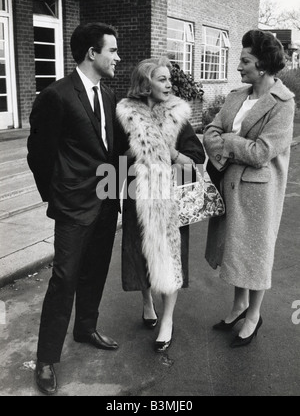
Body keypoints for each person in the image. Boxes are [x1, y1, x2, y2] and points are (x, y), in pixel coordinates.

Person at [27, 22, 126, 395]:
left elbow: (113, 151)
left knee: (95, 270)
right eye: (112, 50)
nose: (117, 57)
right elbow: (39, 154)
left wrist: (118, 194)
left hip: (105, 202)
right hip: (72, 205)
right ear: (92, 53)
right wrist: (56, 196)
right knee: (64, 278)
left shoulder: (110, 95)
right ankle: (47, 359)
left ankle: (85, 328)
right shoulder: (56, 96)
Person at [203, 30, 295, 348]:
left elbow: (261, 153)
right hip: (229, 183)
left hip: (259, 192)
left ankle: (253, 315)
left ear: (264, 64)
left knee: (255, 253)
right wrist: (223, 141)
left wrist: (227, 142)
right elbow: (211, 129)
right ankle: (239, 306)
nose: (239, 66)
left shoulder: (282, 103)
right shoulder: (235, 96)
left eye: (245, 60)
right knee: (235, 249)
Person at [116, 57, 205, 352]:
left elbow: (197, 159)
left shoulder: (178, 116)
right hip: (137, 196)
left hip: (169, 203)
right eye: (162, 79)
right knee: (140, 255)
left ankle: (167, 320)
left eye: (169, 79)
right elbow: (113, 157)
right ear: (145, 83)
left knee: (171, 260)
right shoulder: (126, 114)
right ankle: (146, 300)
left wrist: (173, 153)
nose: (170, 84)